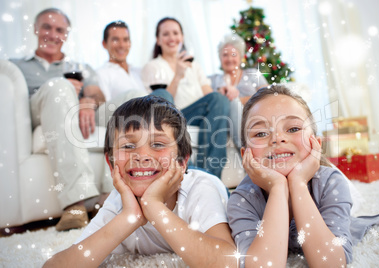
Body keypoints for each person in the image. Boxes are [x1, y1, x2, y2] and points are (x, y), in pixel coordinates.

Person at [43, 95, 237, 267]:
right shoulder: (118, 202)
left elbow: (227, 262)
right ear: (111, 165)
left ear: (183, 160)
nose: (142, 156)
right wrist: (130, 217)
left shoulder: (201, 190)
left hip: (194, 176)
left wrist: (153, 206)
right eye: (128, 145)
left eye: (158, 144)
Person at [227, 85, 379, 267]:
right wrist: (278, 187)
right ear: (245, 154)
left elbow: (331, 263)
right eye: (261, 133)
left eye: (293, 129)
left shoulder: (331, 182)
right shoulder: (242, 199)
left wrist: (298, 184)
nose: (277, 138)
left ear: (316, 144)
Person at [10, 8, 110, 232]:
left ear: (66, 34)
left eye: (59, 30)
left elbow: (98, 94)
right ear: (36, 29)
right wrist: (63, 88)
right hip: (37, 112)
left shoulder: (80, 67)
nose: (52, 34)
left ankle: (112, 196)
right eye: (47, 27)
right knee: (59, 85)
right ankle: (75, 204)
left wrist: (86, 100)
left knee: (132, 100)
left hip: (78, 111)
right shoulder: (15, 66)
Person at [141, 17, 230, 179]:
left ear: (181, 37)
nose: (172, 38)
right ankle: (183, 167)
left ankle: (210, 177)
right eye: (166, 34)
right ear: (158, 40)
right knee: (161, 94)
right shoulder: (152, 66)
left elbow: (209, 95)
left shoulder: (194, 65)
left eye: (175, 33)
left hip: (194, 116)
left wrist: (223, 92)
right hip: (170, 118)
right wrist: (178, 75)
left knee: (219, 99)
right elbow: (161, 102)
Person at [96, 20, 173, 127]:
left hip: (148, 118)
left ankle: (164, 129)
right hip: (124, 117)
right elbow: (106, 108)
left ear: (130, 43)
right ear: (104, 44)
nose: (122, 45)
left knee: (162, 94)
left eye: (125, 40)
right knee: (136, 95)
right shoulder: (101, 73)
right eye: (115, 40)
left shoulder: (139, 72)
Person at [209, 33, 269, 149]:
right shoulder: (214, 80)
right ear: (220, 58)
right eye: (225, 55)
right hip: (225, 121)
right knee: (233, 104)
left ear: (240, 56)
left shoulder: (252, 74)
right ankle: (245, 150)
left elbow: (267, 96)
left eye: (233, 55)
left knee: (234, 102)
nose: (229, 59)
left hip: (252, 116)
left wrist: (239, 100)